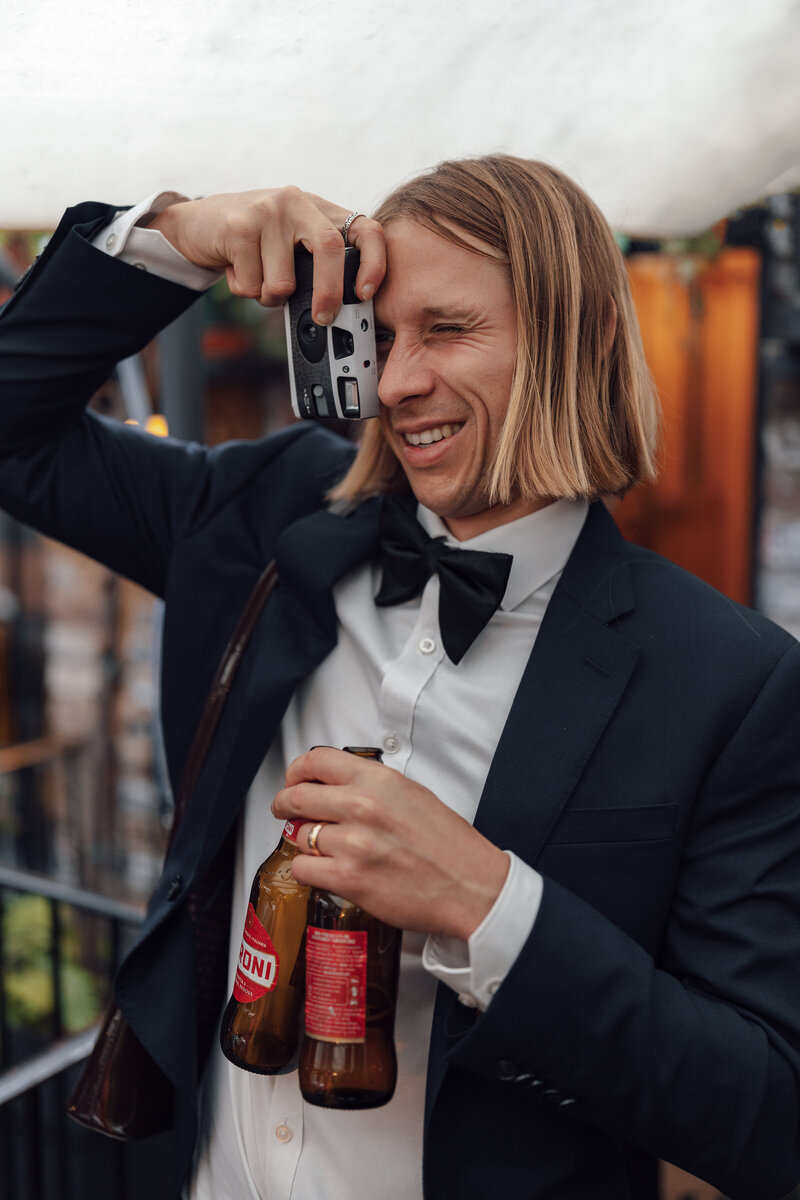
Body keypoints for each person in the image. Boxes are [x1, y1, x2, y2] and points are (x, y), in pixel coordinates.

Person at [0, 156, 798, 1200]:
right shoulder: (266, 515)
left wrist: (489, 907)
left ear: (589, 332)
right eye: (380, 335)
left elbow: (764, 1114)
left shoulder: (729, 680)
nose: (393, 382)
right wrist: (172, 235)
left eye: (447, 330)